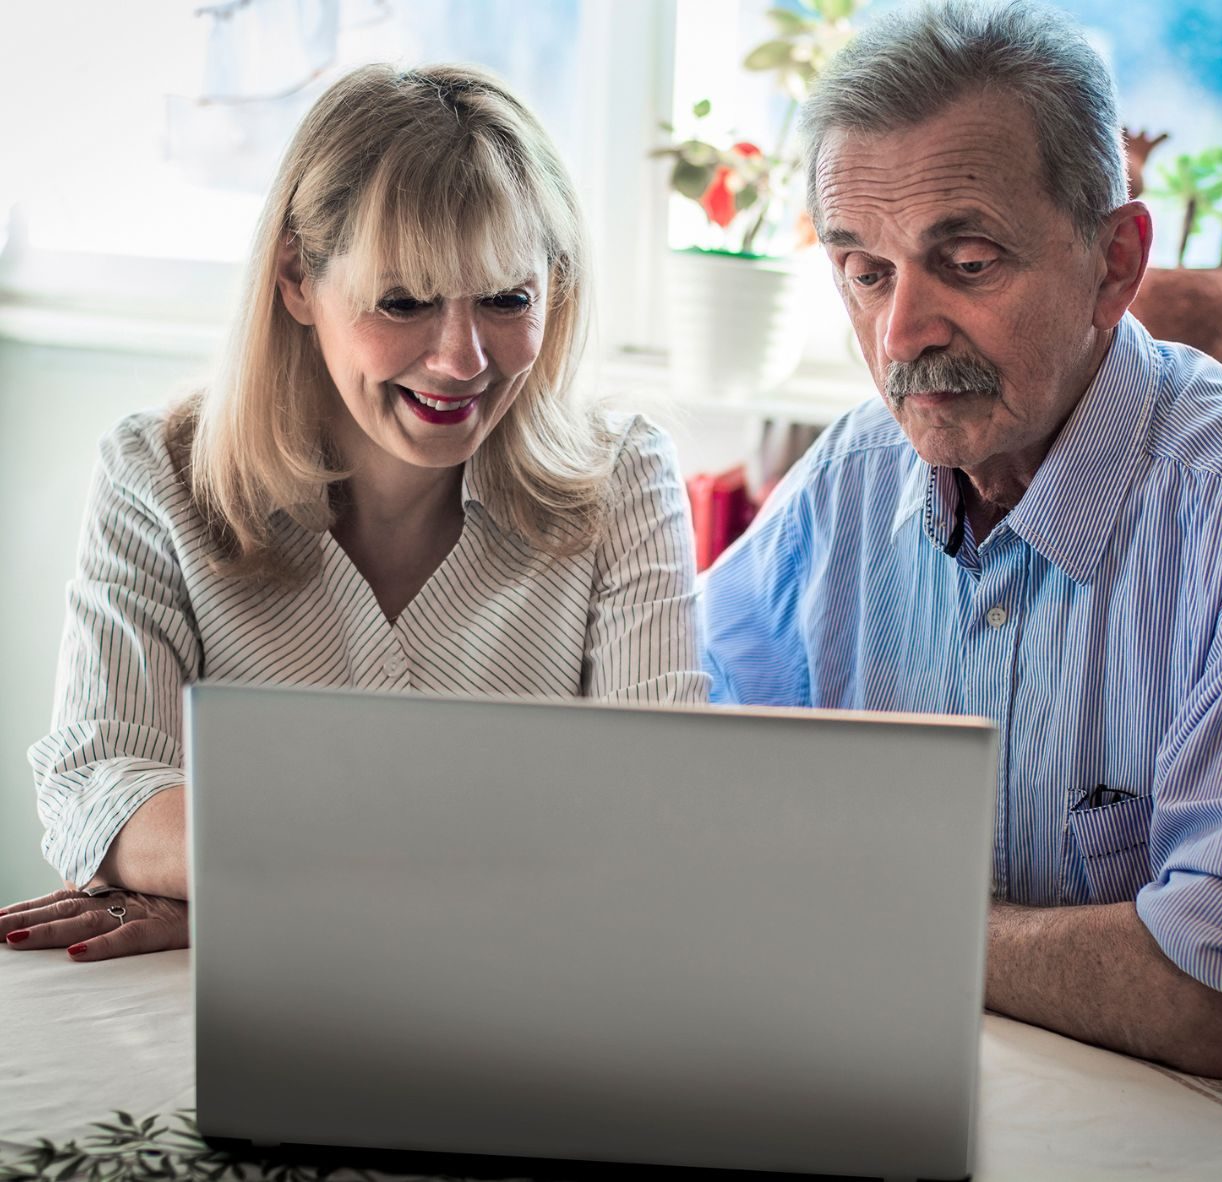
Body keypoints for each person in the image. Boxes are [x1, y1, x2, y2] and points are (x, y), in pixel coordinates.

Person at [699, 0, 1222, 1148]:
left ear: (1116, 261)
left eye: (966, 262)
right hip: (920, 1098)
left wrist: (882, 919)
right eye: (863, 271)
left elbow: (1221, 991)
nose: (900, 334)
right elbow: (682, 770)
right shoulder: (848, 477)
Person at [2, 63, 707, 961]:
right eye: (403, 302)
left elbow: (659, 819)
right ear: (297, 277)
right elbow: (97, 790)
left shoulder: (622, 477)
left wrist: (240, 886)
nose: (461, 360)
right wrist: (439, 868)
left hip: (522, 997)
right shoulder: (160, 473)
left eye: (506, 299)